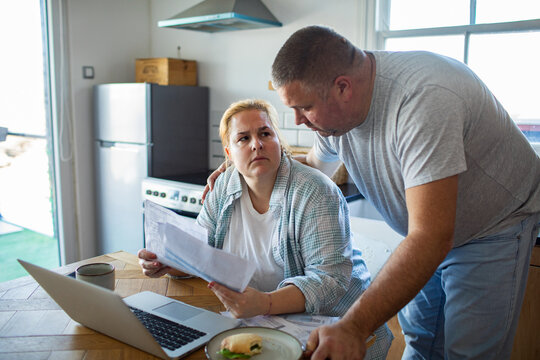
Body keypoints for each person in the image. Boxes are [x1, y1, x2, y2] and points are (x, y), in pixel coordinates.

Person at [264, 25, 540, 359]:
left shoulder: (424, 99)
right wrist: (247, 168)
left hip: (491, 226)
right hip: (425, 232)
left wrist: (353, 326)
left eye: (304, 108)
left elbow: (432, 237)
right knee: (421, 343)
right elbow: (311, 167)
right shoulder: (328, 117)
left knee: (467, 353)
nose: (298, 121)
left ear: (342, 88)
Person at [138, 99, 393, 359]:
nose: (256, 144)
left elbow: (329, 282)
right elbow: (204, 251)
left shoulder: (315, 192)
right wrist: (173, 262)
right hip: (262, 323)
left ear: (278, 142)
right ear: (228, 154)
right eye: (243, 138)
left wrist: (265, 303)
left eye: (264, 133)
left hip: (335, 331)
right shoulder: (224, 186)